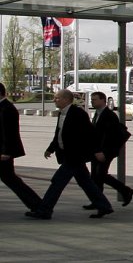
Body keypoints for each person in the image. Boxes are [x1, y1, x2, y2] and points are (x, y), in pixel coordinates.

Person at [32, 89, 113, 219]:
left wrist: (97, 150)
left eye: (57, 98)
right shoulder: (62, 113)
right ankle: (104, 206)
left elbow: (91, 134)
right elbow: (59, 133)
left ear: (65, 99)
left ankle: (44, 211)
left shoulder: (78, 114)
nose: (54, 100)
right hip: (69, 156)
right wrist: (51, 148)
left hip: (74, 156)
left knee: (57, 182)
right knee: (86, 182)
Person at [0, 82, 44, 215]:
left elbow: (7, 133)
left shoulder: (6, 109)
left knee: (10, 179)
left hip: (3, 152)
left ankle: (38, 205)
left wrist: (5, 152)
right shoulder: (3, 107)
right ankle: (37, 204)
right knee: (11, 179)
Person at [87, 91, 133, 208]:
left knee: (100, 175)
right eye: (92, 100)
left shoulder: (109, 115)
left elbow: (111, 137)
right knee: (95, 176)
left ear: (103, 100)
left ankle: (125, 190)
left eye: (95, 99)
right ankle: (97, 200)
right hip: (96, 150)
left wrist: (104, 152)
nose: (92, 102)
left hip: (105, 151)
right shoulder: (97, 114)